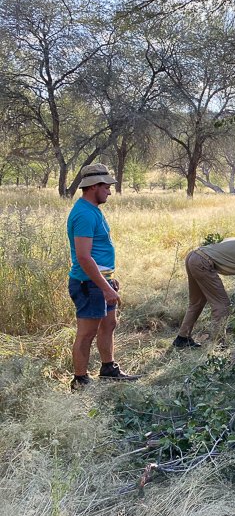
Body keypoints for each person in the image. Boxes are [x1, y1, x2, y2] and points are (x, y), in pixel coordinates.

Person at [67, 163, 141, 391]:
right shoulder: (83, 214)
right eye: (106, 187)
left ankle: (108, 369)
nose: (109, 191)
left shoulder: (93, 210)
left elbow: (96, 255)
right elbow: (83, 257)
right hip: (88, 283)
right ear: (93, 187)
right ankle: (80, 380)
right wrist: (105, 287)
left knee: (109, 323)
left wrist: (109, 279)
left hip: (100, 280)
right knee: (87, 332)